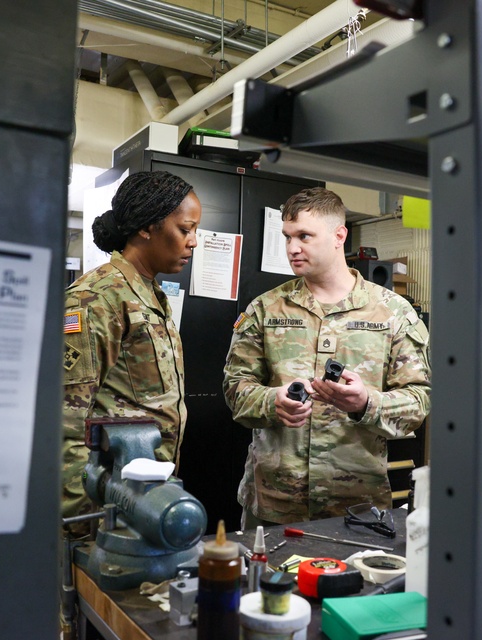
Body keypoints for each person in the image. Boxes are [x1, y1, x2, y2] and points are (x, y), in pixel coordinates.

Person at [223, 187, 431, 527]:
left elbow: (418, 401)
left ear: (339, 236)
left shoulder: (393, 312)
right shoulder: (265, 308)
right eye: (287, 237)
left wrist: (365, 404)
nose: (292, 248)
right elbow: (235, 389)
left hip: (355, 506)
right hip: (275, 503)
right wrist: (271, 400)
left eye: (304, 236)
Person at [61, 171, 200, 524]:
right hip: (107, 510)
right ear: (147, 227)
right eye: (185, 229)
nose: (193, 242)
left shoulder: (148, 293)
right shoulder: (98, 299)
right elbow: (64, 425)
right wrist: (88, 518)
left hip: (145, 499)